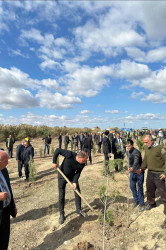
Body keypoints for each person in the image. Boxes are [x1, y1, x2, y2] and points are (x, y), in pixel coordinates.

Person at [136, 135, 166, 225]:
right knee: (149, 189)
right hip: (150, 173)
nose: (145, 144)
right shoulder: (147, 149)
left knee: (163, 193)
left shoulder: (161, 148)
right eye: (144, 142)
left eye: (146, 142)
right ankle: (151, 203)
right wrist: (142, 168)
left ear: (151, 141)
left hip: (159, 174)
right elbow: (145, 160)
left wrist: (165, 173)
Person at [52, 148, 87, 224]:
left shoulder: (82, 164)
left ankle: (78, 210)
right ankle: (61, 214)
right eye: (83, 160)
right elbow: (57, 150)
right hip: (62, 175)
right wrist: (54, 162)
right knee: (61, 195)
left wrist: (74, 182)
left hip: (72, 177)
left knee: (77, 191)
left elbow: (78, 173)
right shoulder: (69, 155)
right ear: (79, 157)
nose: (84, 162)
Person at [0, 150, 17, 249]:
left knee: (5, 237)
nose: (8, 163)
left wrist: (13, 206)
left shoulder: (4, 170)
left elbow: (8, 188)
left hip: (6, 210)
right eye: (6, 161)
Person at [126, 139, 144, 212]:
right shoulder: (127, 152)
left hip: (139, 172)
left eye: (129, 146)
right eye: (127, 146)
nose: (128, 147)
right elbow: (129, 162)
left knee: (140, 187)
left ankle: (142, 203)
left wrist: (132, 168)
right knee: (132, 186)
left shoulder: (137, 152)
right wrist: (129, 168)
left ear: (132, 145)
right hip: (132, 173)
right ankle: (136, 200)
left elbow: (136, 161)